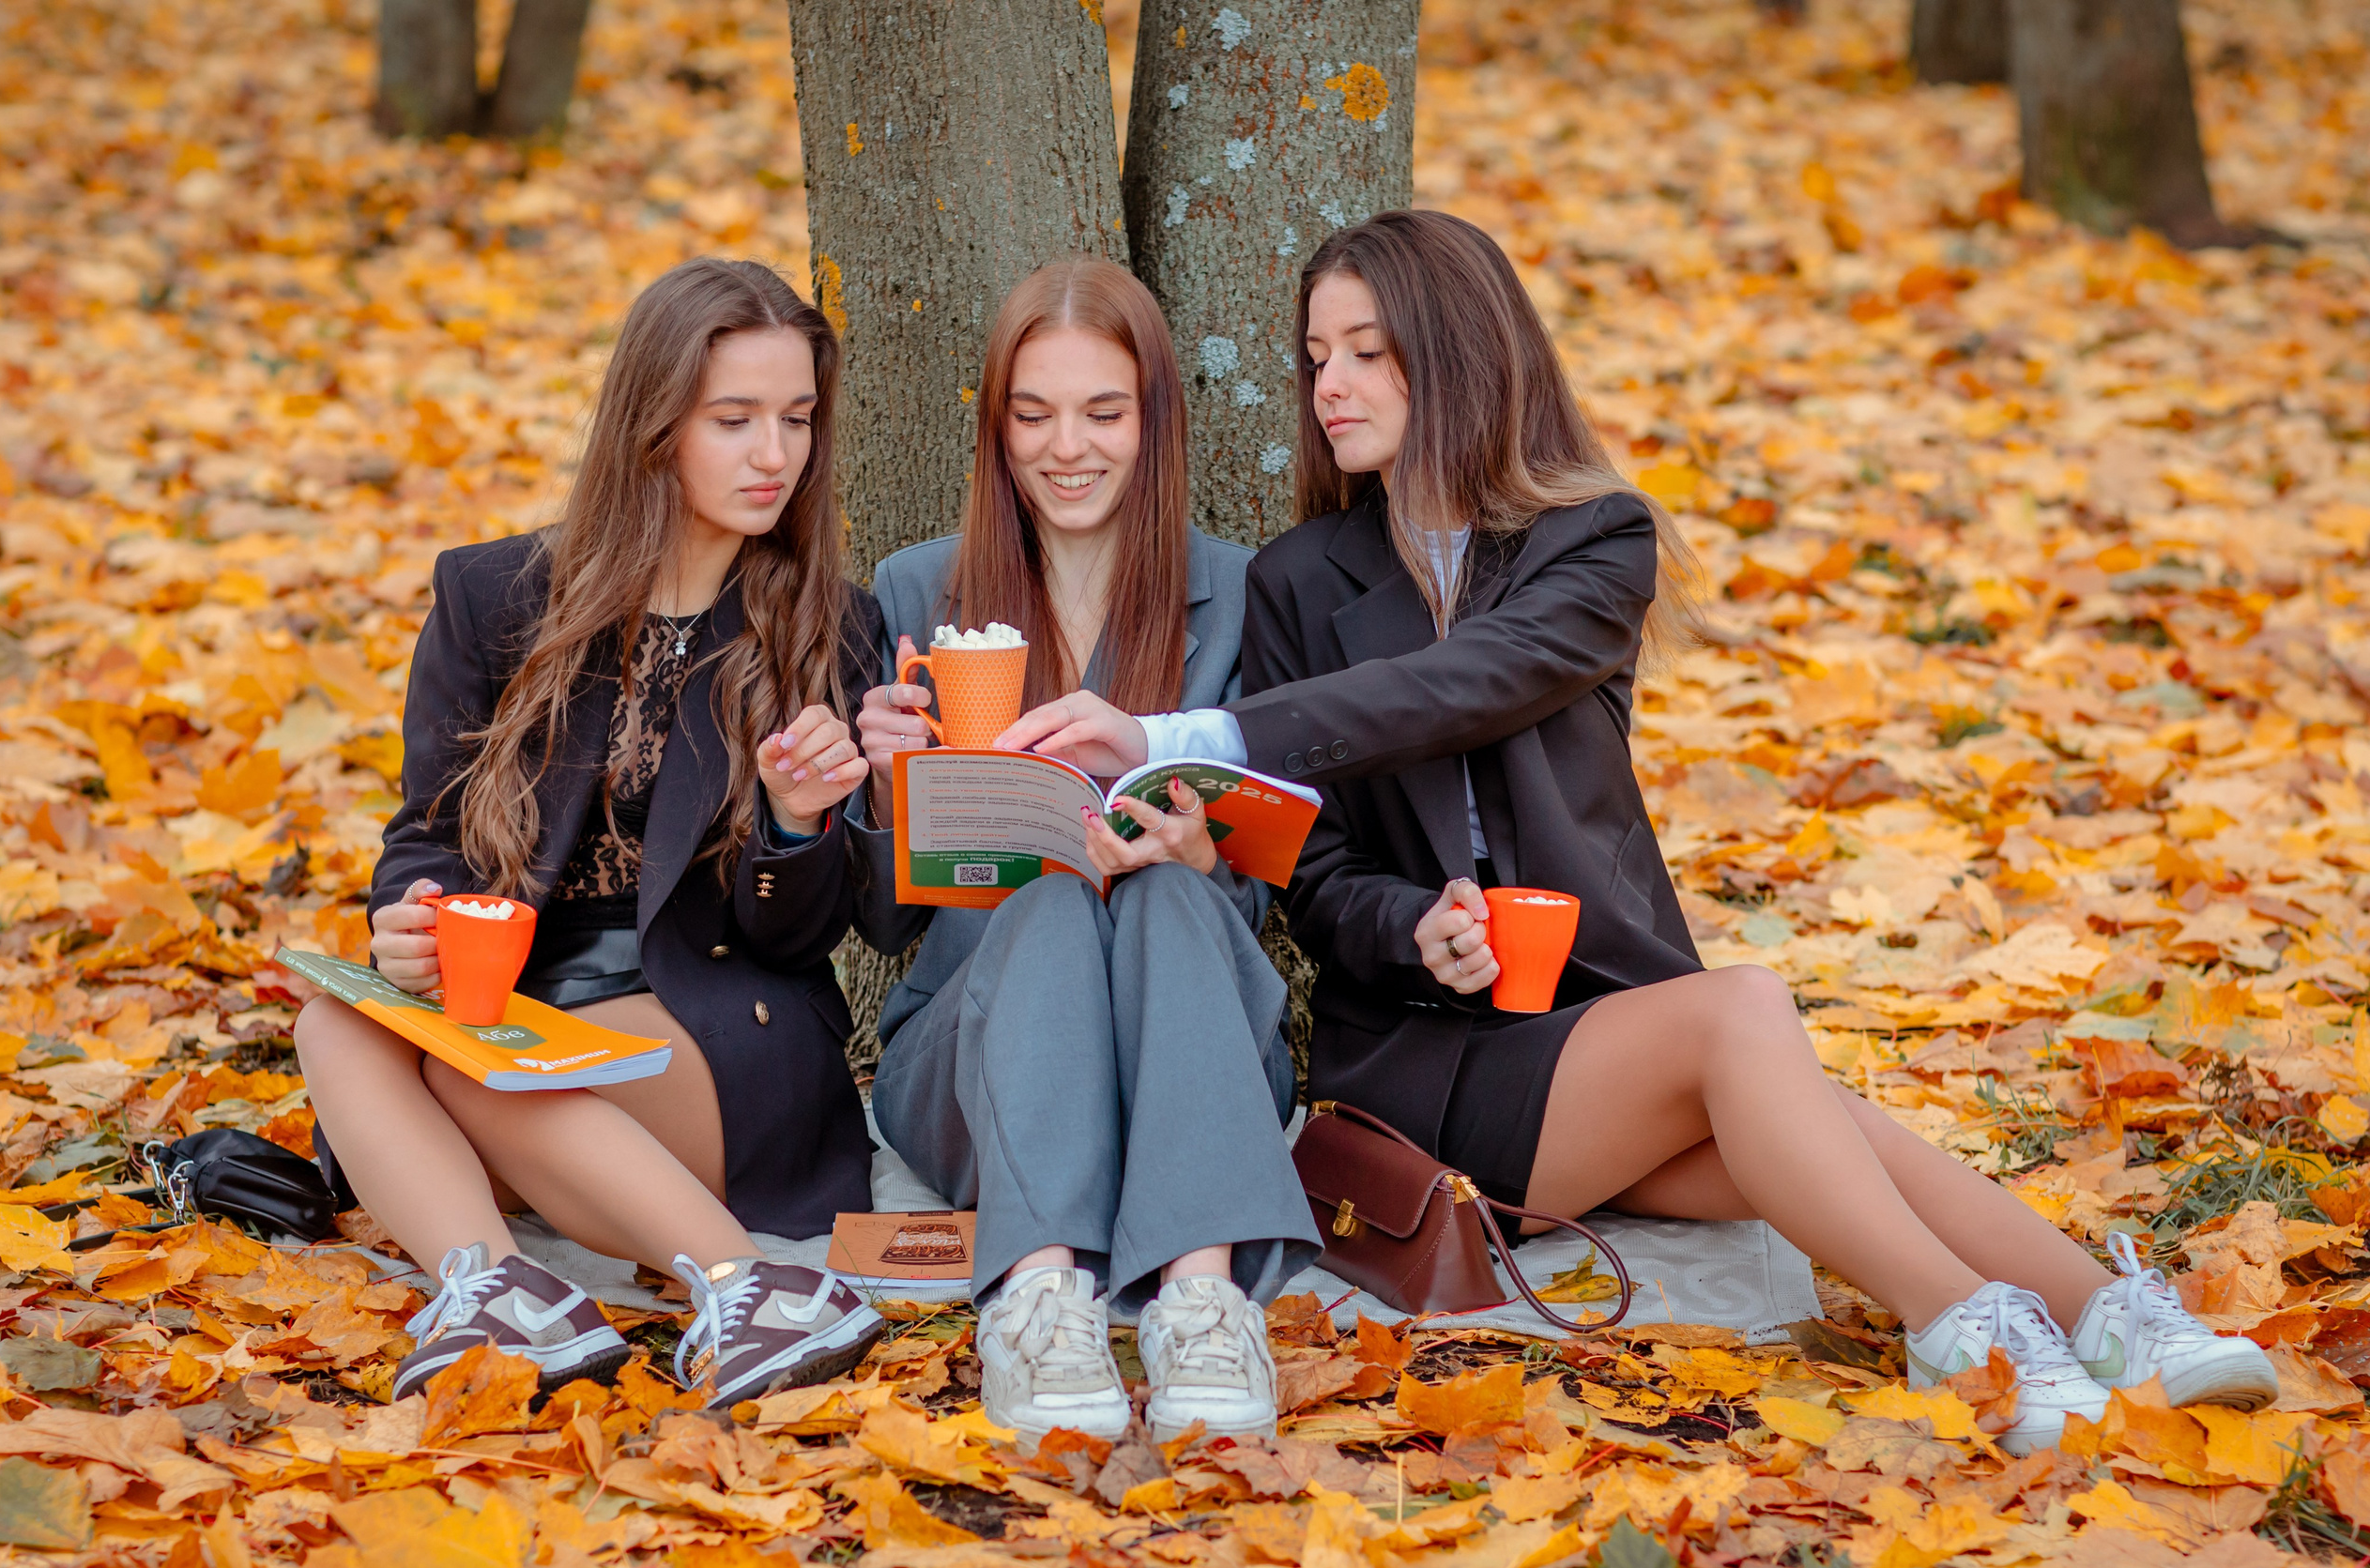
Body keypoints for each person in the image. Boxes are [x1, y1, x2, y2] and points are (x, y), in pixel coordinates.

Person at [999, 211, 2277, 1453]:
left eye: (1369, 349)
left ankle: (2106, 1315)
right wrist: (1413, 926)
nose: (1332, 381)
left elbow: (1473, 677)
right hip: (1426, 1067)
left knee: (1815, 1115)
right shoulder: (1301, 577)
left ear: (1460, 352)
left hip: (1603, 1022)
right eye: (1319, 353)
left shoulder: (1594, 543)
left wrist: (1191, 732)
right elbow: (1315, 875)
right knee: (1745, 1015)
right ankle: (1970, 1324)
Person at [296, 259, 889, 1406]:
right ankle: (502, 1295)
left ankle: (751, 1285)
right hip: (511, 1016)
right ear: (654, 423)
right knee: (338, 1020)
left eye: (797, 419)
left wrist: (797, 821)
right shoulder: (494, 597)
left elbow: (824, 936)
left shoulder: (826, 629)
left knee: (477, 1065)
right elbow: (428, 831)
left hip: (714, 1044)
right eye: (735, 420)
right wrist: (406, 922)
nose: (776, 454)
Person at [848, 257, 1318, 1439]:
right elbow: (878, 922)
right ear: (996, 429)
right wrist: (886, 791)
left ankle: (1200, 1302)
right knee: (1051, 901)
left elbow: (1256, 903)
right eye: (1034, 414)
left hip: (1188, 1054)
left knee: (1165, 900)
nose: (1069, 447)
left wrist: (1197, 857)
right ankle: (1038, 1294)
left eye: (1104, 413)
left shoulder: (1240, 594)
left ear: (1154, 422)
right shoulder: (914, 593)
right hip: (976, 1052)